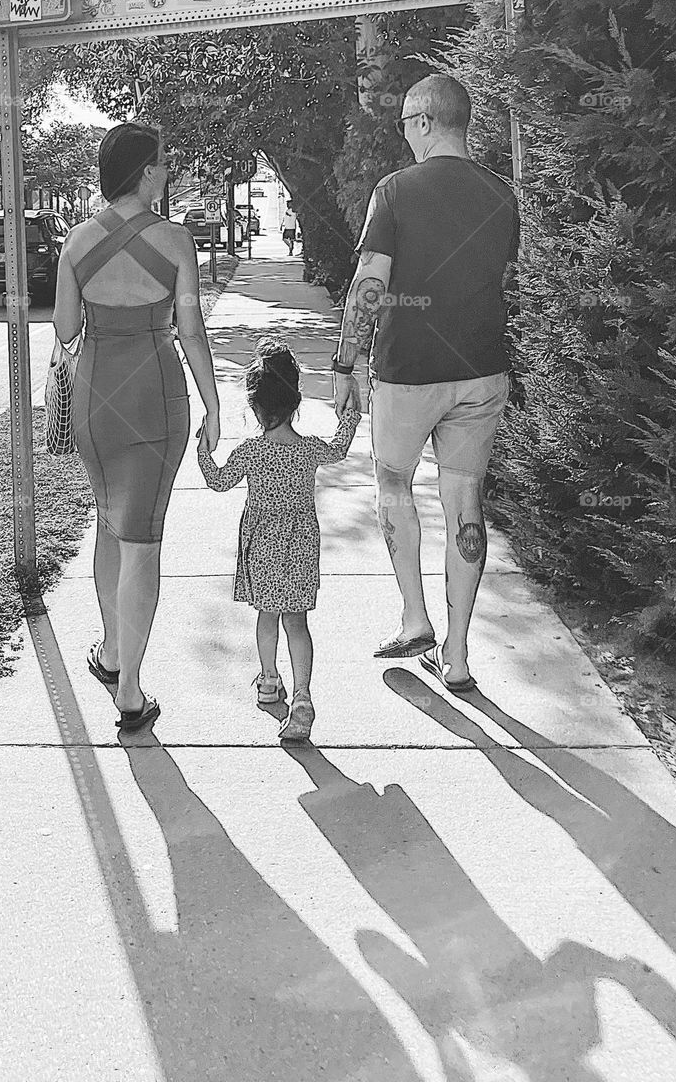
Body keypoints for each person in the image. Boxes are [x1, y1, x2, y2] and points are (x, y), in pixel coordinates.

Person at [332, 73, 518, 691]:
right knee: (465, 501)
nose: (404, 136)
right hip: (482, 371)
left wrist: (346, 360)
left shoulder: (393, 192)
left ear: (423, 122)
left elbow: (370, 284)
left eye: (406, 124)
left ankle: (416, 621)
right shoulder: (502, 195)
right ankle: (458, 657)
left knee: (393, 485)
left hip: (409, 371)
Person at [53, 122, 220, 731]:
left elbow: (67, 331)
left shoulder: (76, 242)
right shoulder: (175, 242)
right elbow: (192, 333)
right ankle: (130, 690)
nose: (168, 171)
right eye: (163, 164)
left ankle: (112, 650)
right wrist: (213, 403)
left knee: (109, 520)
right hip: (155, 396)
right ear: (145, 171)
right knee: (143, 538)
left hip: (95, 399)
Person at [197, 337, 361, 742]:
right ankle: (303, 697)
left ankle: (269, 681)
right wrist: (351, 416)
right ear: (296, 402)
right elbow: (340, 449)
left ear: (255, 406)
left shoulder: (251, 452)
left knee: (267, 615)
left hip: (264, 548)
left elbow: (218, 481)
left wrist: (202, 448)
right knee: (297, 621)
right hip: (302, 545)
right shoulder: (308, 450)